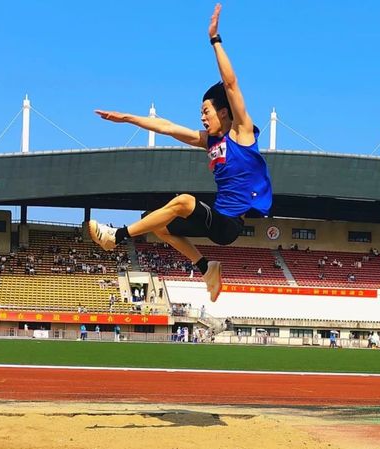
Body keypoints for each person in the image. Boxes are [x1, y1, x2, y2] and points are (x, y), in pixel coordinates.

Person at [90, 3, 272, 302]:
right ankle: (205, 267)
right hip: (216, 220)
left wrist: (215, 39)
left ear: (223, 112)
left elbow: (231, 84)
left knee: (184, 201)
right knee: (158, 222)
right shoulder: (209, 141)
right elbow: (167, 127)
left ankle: (116, 236)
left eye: (205, 111)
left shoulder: (242, 133)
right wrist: (128, 118)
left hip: (229, 225)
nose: (202, 117)